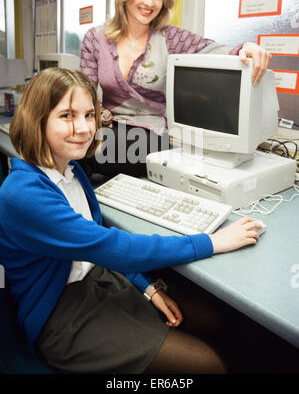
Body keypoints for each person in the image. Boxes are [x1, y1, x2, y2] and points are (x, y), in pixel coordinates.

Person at [0, 67, 264, 374]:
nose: (84, 128)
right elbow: (109, 246)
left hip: (97, 280)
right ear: (37, 119)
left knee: (215, 320)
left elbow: (97, 245)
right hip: (61, 315)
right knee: (208, 364)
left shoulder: (69, 170)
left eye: (89, 115)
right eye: (67, 116)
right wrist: (210, 242)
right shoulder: (22, 194)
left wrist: (146, 287)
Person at [79, 0, 272, 179]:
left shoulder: (171, 38)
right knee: (74, 147)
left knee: (94, 156)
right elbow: (83, 96)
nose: (149, 3)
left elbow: (217, 50)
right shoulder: (95, 38)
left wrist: (247, 46)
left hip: (149, 136)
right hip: (106, 128)